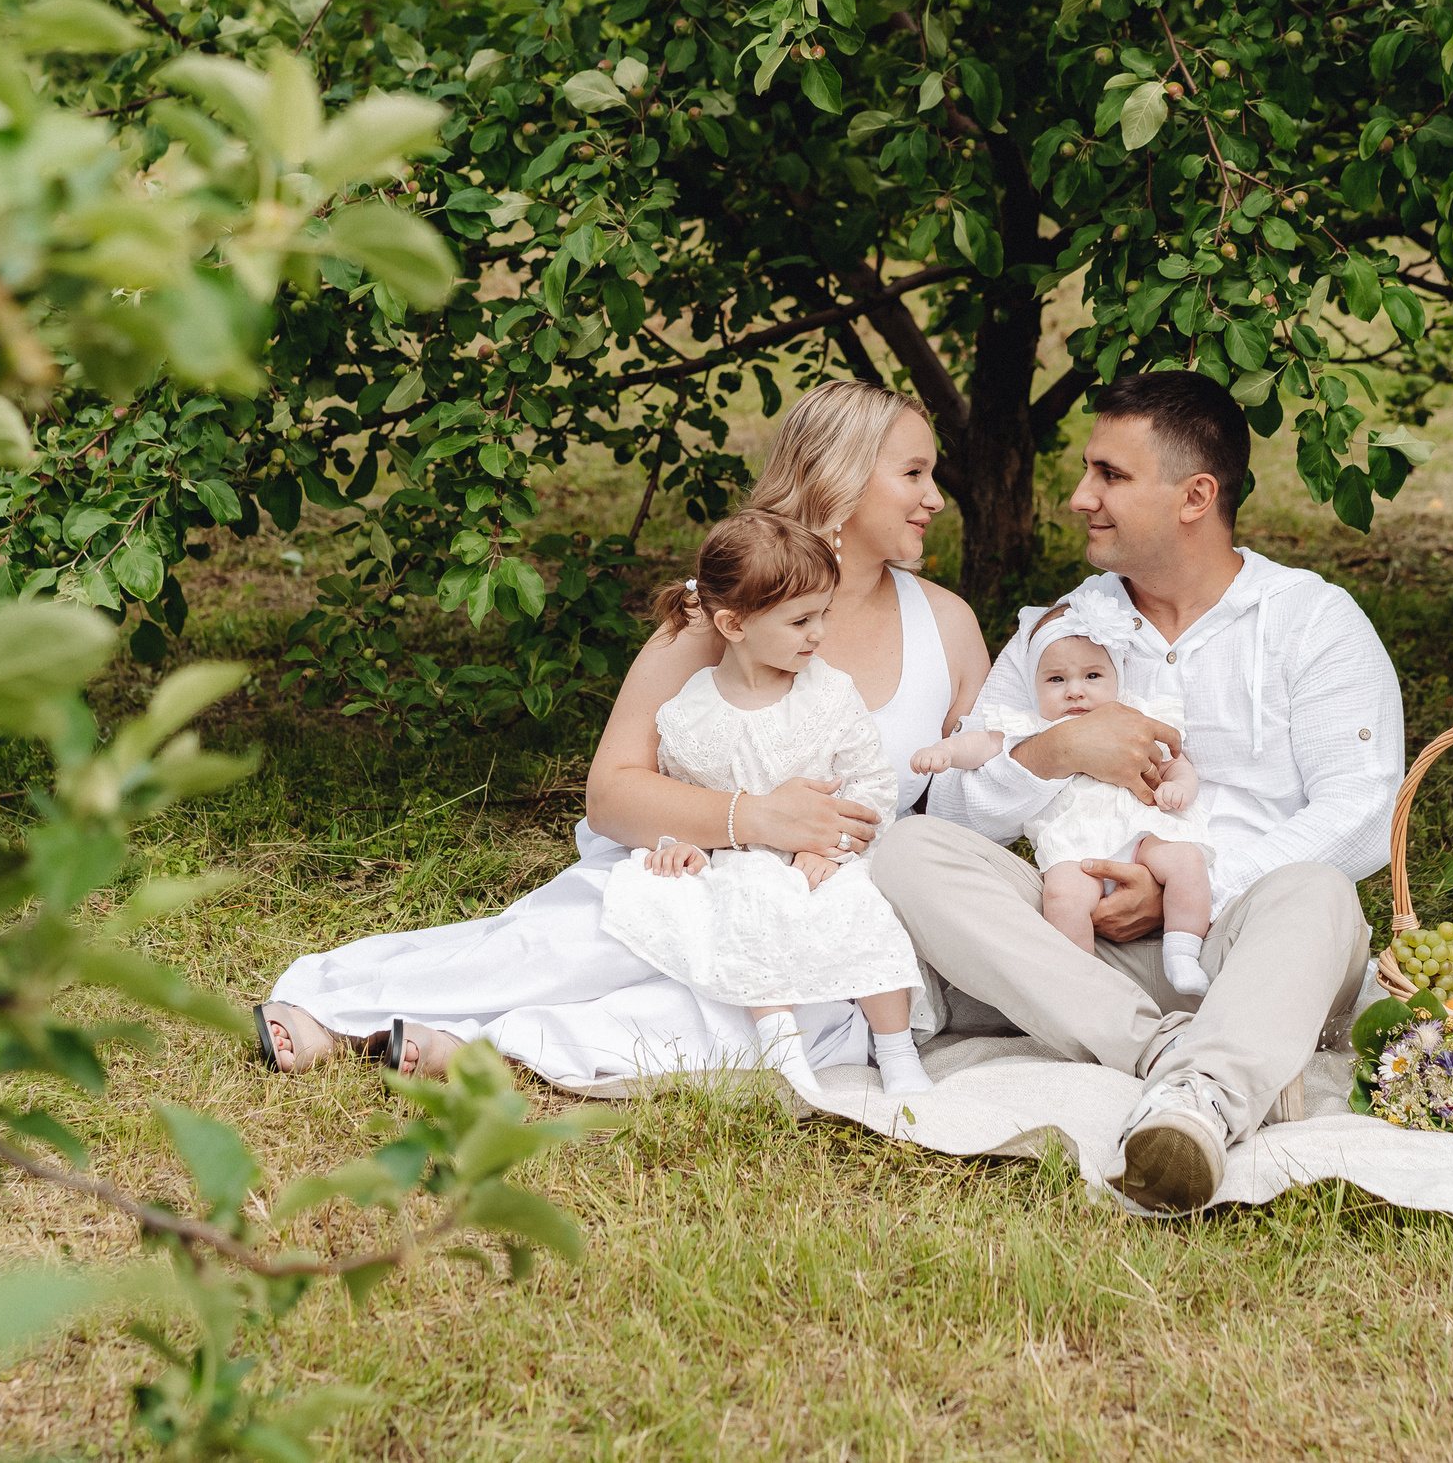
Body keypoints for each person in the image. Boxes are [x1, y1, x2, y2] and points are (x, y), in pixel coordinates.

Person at [252, 380, 991, 1088]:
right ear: (844, 477)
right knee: (576, 949)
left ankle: (482, 1049)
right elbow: (611, 793)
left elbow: (972, 813)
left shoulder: (948, 627)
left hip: (822, 904)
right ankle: (333, 1008)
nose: (935, 496)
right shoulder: (725, 613)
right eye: (915, 472)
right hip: (687, 869)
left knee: (753, 1013)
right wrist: (752, 817)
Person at [873, 370, 1403, 1216]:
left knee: (1320, 888)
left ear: (1196, 495)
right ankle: (1180, 1066)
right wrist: (1055, 750)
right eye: (1088, 471)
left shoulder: (1311, 620)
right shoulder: (1059, 631)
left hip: (1253, 950)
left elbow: (1364, 816)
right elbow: (963, 815)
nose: (1081, 496)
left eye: (1110, 475)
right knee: (906, 851)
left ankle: (1203, 1099)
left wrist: (1186, 886)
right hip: (1078, 943)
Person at [597, 510, 932, 1097]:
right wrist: (683, 850)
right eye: (801, 620)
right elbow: (686, 799)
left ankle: (897, 1050)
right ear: (733, 624)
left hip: (828, 855)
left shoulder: (828, 693)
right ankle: (783, 1050)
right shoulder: (689, 712)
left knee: (860, 907)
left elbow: (872, 783)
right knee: (747, 905)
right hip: (741, 860)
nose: (819, 634)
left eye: (823, 614)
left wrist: (837, 848)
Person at [910, 615, 1214, 994]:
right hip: (1075, 847)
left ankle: (1182, 950)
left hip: (1141, 834)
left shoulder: (1135, 717)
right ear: (1034, 686)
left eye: (1092, 677)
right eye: (1056, 680)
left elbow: (1173, 760)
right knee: (1062, 897)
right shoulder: (1033, 727)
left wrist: (1179, 786)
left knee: (1186, 862)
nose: (1074, 691)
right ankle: (1083, 984)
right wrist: (945, 751)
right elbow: (981, 744)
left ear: (1117, 678)